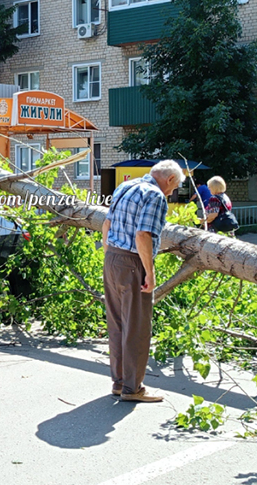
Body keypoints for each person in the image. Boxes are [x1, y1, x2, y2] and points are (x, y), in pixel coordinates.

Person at [101, 160, 184, 403]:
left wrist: (110, 254)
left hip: (113, 258)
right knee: (136, 327)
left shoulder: (125, 187)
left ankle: (119, 383)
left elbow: (106, 224)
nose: (172, 192)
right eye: (175, 186)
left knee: (117, 323)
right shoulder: (155, 195)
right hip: (133, 262)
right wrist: (149, 271)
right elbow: (142, 235)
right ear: (169, 179)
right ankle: (132, 388)